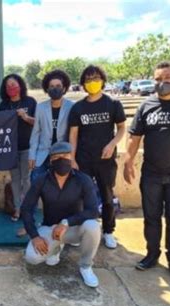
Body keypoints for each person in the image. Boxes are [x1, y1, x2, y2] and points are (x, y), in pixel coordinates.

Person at [124, 61, 170, 279]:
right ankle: (151, 255)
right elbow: (134, 136)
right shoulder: (146, 105)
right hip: (152, 174)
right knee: (151, 218)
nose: (162, 83)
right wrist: (128, 162)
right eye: (158, 79)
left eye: (167, 78)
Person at [21, 142, 101, 288]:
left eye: (65, 156)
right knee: (32, 257)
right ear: (51, 161)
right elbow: (26, 208)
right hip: (50, 229)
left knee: (93, 226)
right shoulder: (41, 180)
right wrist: (34, 236)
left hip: (75, 228)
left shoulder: (83, 180)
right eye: (57, 157)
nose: (61, 160)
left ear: (71, 157)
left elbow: (93, 211)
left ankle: (85, 266)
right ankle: (57, 247)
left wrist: (66, 222)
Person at [69, 65, 126, 249]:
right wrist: (72, 158)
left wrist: (112, 144)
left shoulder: (113, 104)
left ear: (102, 80)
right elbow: (73, 135)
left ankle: (108, 231)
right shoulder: (78, 108)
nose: (92, 82)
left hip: (105, 161)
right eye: (88, 79)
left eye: (95, 78)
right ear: (83, 84)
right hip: (84, 159)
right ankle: (81, 231)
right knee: (82, 197)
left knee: (107, 197)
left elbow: (122, 129)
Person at [0, 74, 37, 222]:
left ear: (20, 85)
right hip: (11, 149)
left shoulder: (30, 101)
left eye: (14, 85)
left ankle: (27, 210)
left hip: (28, 147)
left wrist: (25, 117)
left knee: (26, 179)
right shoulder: (3, 105)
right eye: (8, 86)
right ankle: (17, 209)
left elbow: (38, 123)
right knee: (15, 179)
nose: (11, 88)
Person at [29, 70, 74, 182]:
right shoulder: (40, 107)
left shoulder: (72, 106)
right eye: (52, 86)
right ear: (47, 89)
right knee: (36, 182)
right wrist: (32, 155)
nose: (55, 88)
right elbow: (36, 133)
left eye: (58, 86)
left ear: (64, 88)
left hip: (63, 154)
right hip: (43, 154)